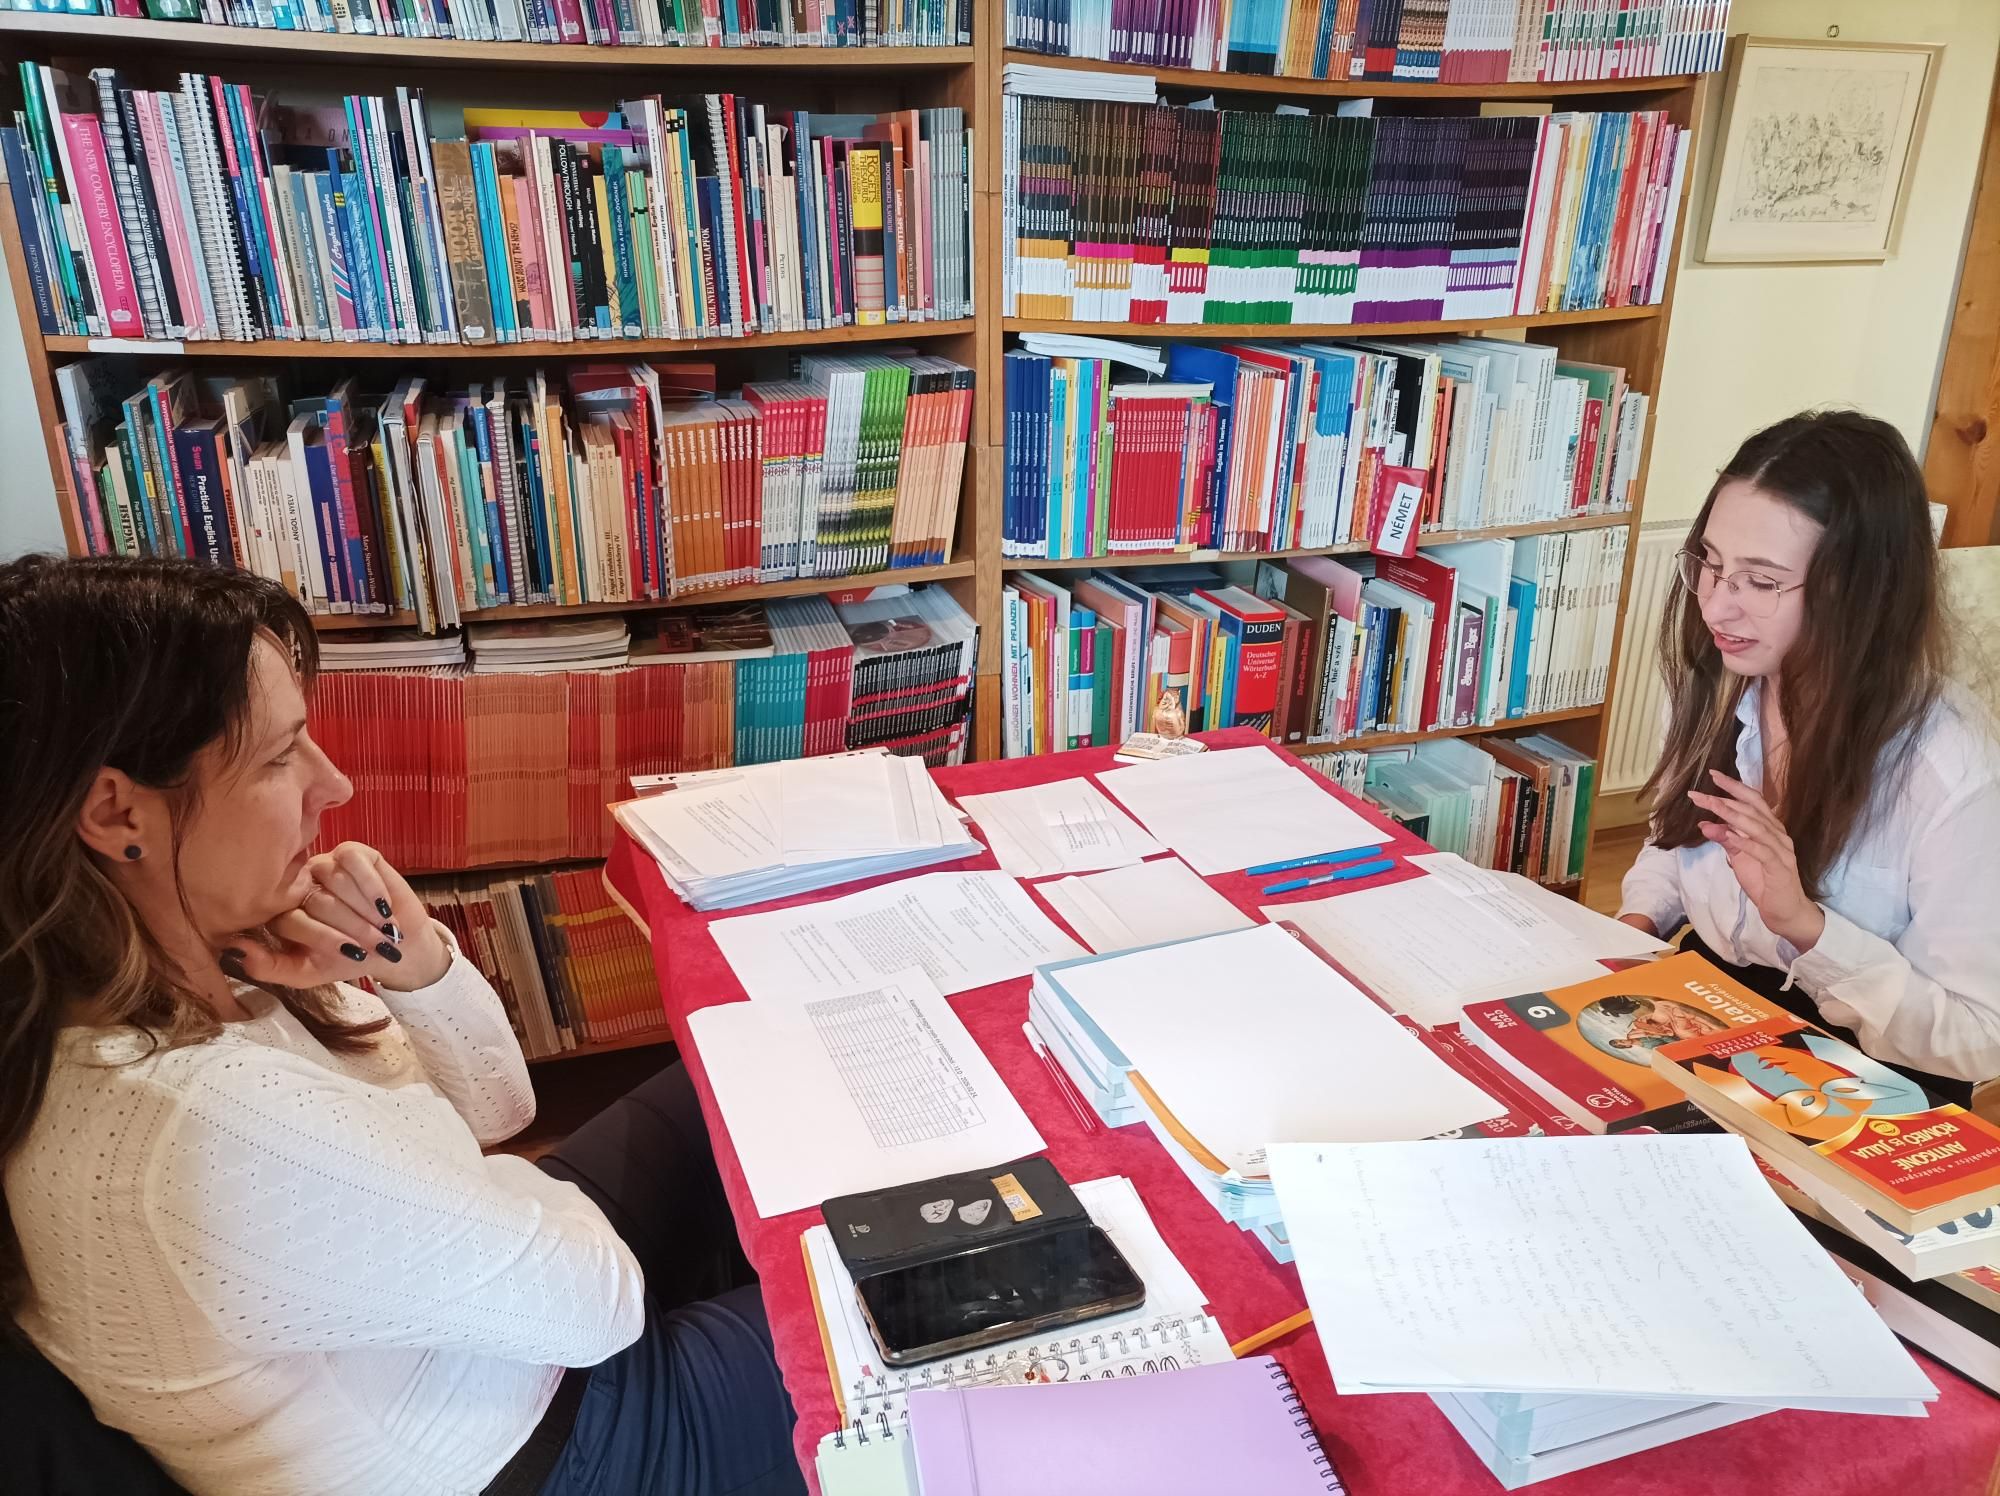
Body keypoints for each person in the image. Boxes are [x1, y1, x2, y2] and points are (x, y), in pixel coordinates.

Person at [0, 555, 806, 1496]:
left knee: (755, 1066)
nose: (333, 785)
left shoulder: (176, 964)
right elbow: (601, 1303)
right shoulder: (208, 1120)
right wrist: (481, 1184)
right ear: (115, 811)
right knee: (911, 1316)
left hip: (498, 1316)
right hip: (547, 1445)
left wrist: (411, 968)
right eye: (278, 756)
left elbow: (500, 1112)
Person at [1617, 410, 2000, 1101]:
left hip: (1867, 1071)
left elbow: (1978, 1036)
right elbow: (1677, 841)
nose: (1717, 608)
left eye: (1762, 582)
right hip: (1710, 1003)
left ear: (1860, 592)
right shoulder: (1727, 675)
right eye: (1711, 564)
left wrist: (1806, 926)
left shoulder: (1949, 772)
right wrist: (1634, 928)